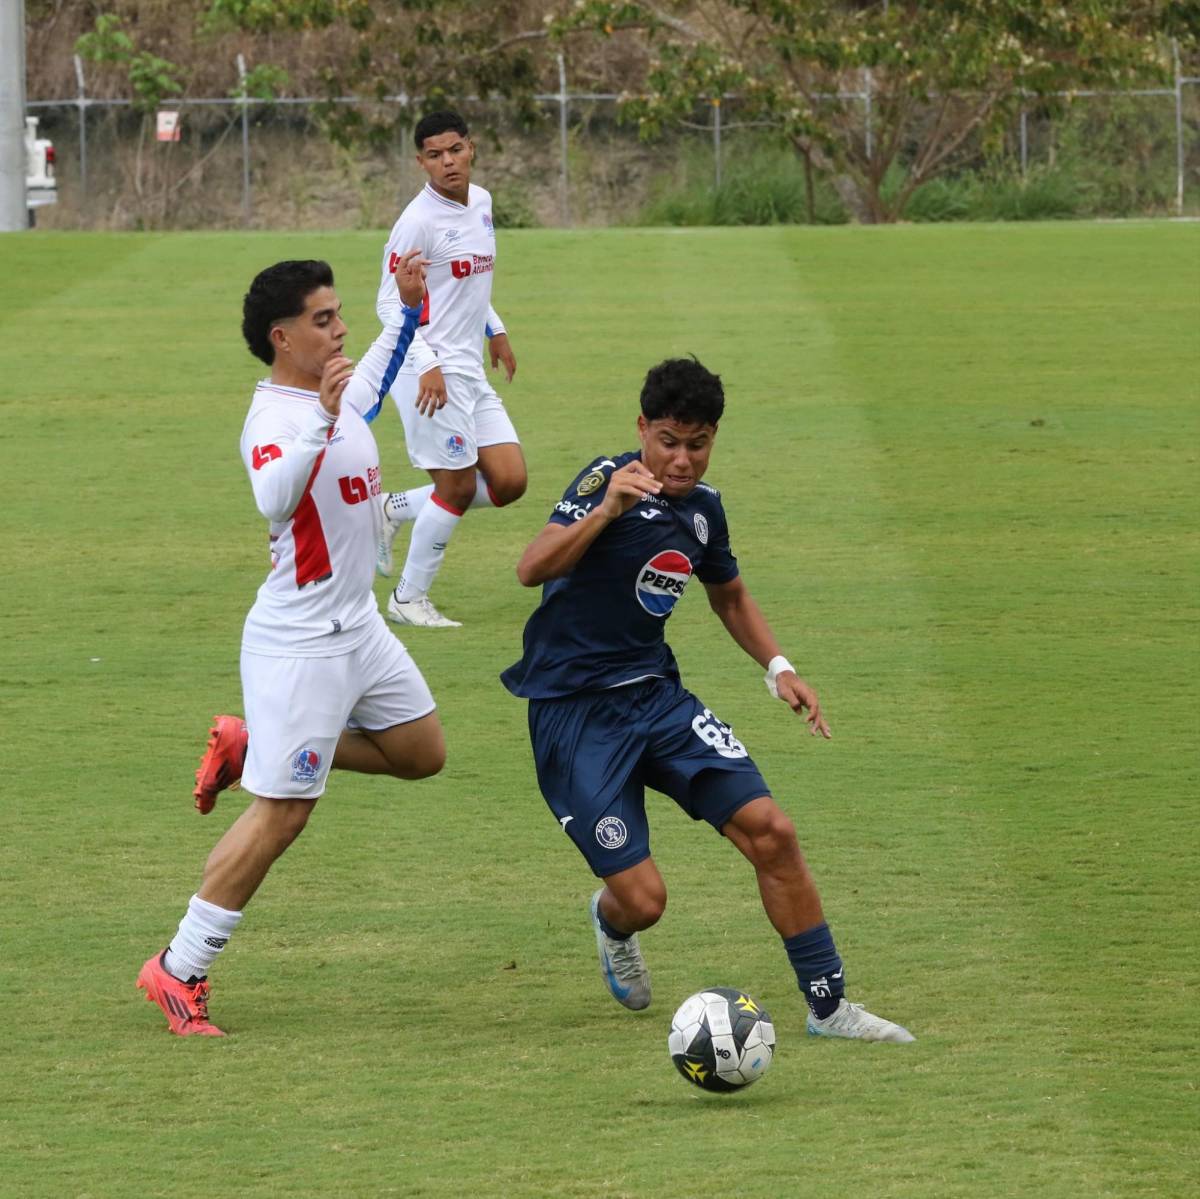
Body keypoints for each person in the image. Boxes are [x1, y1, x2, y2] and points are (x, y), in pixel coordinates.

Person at [501, 358, 914, 1043]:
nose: (682, 459)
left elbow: (728, 591)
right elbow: (530, 567)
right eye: (668, 441)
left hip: (657, 698)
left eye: (698, 443)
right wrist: (606, 512)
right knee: (645, 900)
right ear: (642, 429)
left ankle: (830, 1007)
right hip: (574, 713)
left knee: (773, 832)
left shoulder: (703, 509)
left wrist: (778, 666)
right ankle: (611, 920)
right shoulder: (606, 481)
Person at [137, 254, 447, 1037]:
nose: (340, 328)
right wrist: (323, 412)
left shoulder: (333, 390)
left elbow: (370, 379)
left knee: (421, 750)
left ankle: (256, 747)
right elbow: (273, 496)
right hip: (301, 642)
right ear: (283, 337)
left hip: (359, 627)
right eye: (323, 319)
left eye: (341, 315)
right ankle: (178, 968)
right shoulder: (276, 416)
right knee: (283, 815)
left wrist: (407, 315)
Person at [372, 109, 526, 629]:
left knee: (509, 482)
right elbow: (390, 304)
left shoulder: (481, 203)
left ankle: (392, 508)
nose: (448, 162)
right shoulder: (417, 222)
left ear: (471, 148)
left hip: (467, 369)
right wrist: (429, 362)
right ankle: (407, 599)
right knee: (457, 486)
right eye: (434, 155)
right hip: (426, 370)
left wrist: (495, 329)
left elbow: (470, 285)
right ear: (421, 162)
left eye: (455, 150)